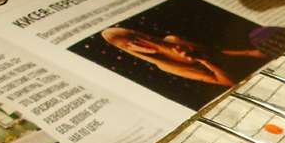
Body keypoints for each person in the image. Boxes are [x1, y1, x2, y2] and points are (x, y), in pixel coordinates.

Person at [101, 26, 269, 87]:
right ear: (128, 49)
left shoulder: (172, 39)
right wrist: (203, 60)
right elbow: (228, 82)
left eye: (134, 36)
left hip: (254, 62)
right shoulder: (166, 65)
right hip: (247, 78)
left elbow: (217, 53)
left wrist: (248, 53)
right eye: (128, 45)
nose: (140, 43)